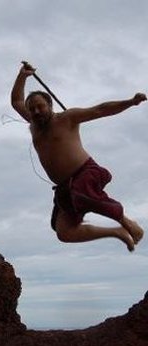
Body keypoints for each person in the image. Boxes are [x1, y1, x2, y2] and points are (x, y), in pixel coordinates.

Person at [11, 61, 145, 251]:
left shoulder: (67, 118)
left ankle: (126, 221)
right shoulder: (34, 124)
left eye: (40, 106)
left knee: (82, 192)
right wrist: (22, 76)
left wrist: (130, 102)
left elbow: (101, 110)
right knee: (64, 232)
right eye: (32, 109)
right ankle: (117, 232)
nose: (36, 111)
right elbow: (16, 102)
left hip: (85, 173)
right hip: (66, 186)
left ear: (50, 105)